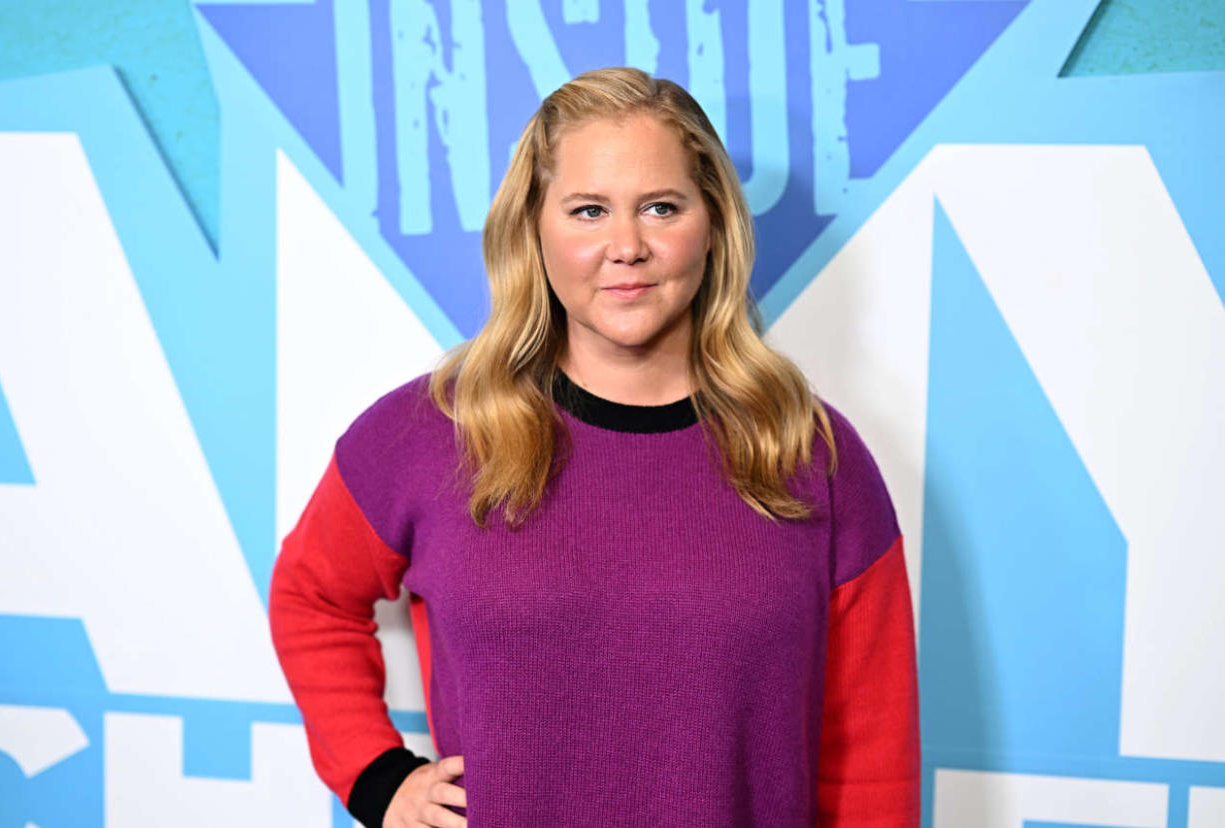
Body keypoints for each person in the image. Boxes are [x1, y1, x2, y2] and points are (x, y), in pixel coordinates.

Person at [269, 66, 919, 827]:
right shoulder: (428, 433)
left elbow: (872, 754)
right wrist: (377, 778)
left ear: (712, 224)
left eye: (660, 207)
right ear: (534, 231)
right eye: (587, 210)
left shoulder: (810, 454)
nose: (627, 246)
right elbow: (309, 596)